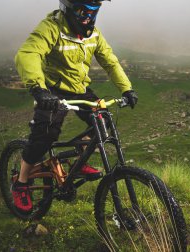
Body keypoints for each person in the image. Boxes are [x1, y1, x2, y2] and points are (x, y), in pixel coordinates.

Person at [12, 0, 138, 213]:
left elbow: (110, 61)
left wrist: (126, 89)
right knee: (44, 136)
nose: (88, 17)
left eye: (93, 11)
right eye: (83, 11)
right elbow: (28, 54)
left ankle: (78, 162)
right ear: (68, 8)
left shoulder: (93, 34)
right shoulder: (51, 27)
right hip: (52, 90)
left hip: (79, 88)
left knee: (102, 122)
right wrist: (38, 88)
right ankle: (21, 183)